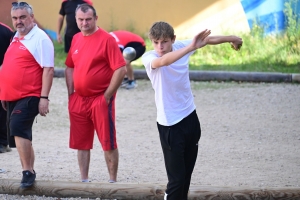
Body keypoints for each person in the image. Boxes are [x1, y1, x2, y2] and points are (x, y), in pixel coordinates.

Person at [141, 21, 243, 200]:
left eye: (164, 41)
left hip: (190, 118)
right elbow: (163, 61)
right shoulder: (150, 58)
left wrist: (232, 38)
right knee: (176, 181)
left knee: (186, 178)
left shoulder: (180, 46)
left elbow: (208, 39)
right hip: (169, 125)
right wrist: (191, 47)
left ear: (173, 39)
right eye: (156, 42)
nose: (160, 46)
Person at [65, 4, 126, 183]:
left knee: (108, 141)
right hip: (79, 99)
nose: (84, 23)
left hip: (100, 99)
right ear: (75, 20)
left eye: (88, 19)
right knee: (81, 143)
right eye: (81, 20)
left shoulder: (106, 40)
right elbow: (69, 66)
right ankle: (84, 180)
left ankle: (112, 181)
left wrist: (107, 96)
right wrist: (71, 93)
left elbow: (120, 69)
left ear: (96, 18)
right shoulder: (76, 38)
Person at [0, 2, 54, 188]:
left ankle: (27, 172)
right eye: (15, 18)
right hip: (12, 95)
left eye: (22, 17)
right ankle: (29, 169)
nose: (18, 21)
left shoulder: (40, 39)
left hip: (31, 94)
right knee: (21, 133)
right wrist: (4, 93)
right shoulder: (17, 36)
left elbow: (48, 69)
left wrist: (44, 98)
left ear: (31, 17)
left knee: (17, 126)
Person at [0, 22, 13, 154]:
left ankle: (3, 142)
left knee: (3, 109)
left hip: (2, 76)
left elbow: (12, 53)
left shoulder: (6, 31)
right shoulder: (7, 30)